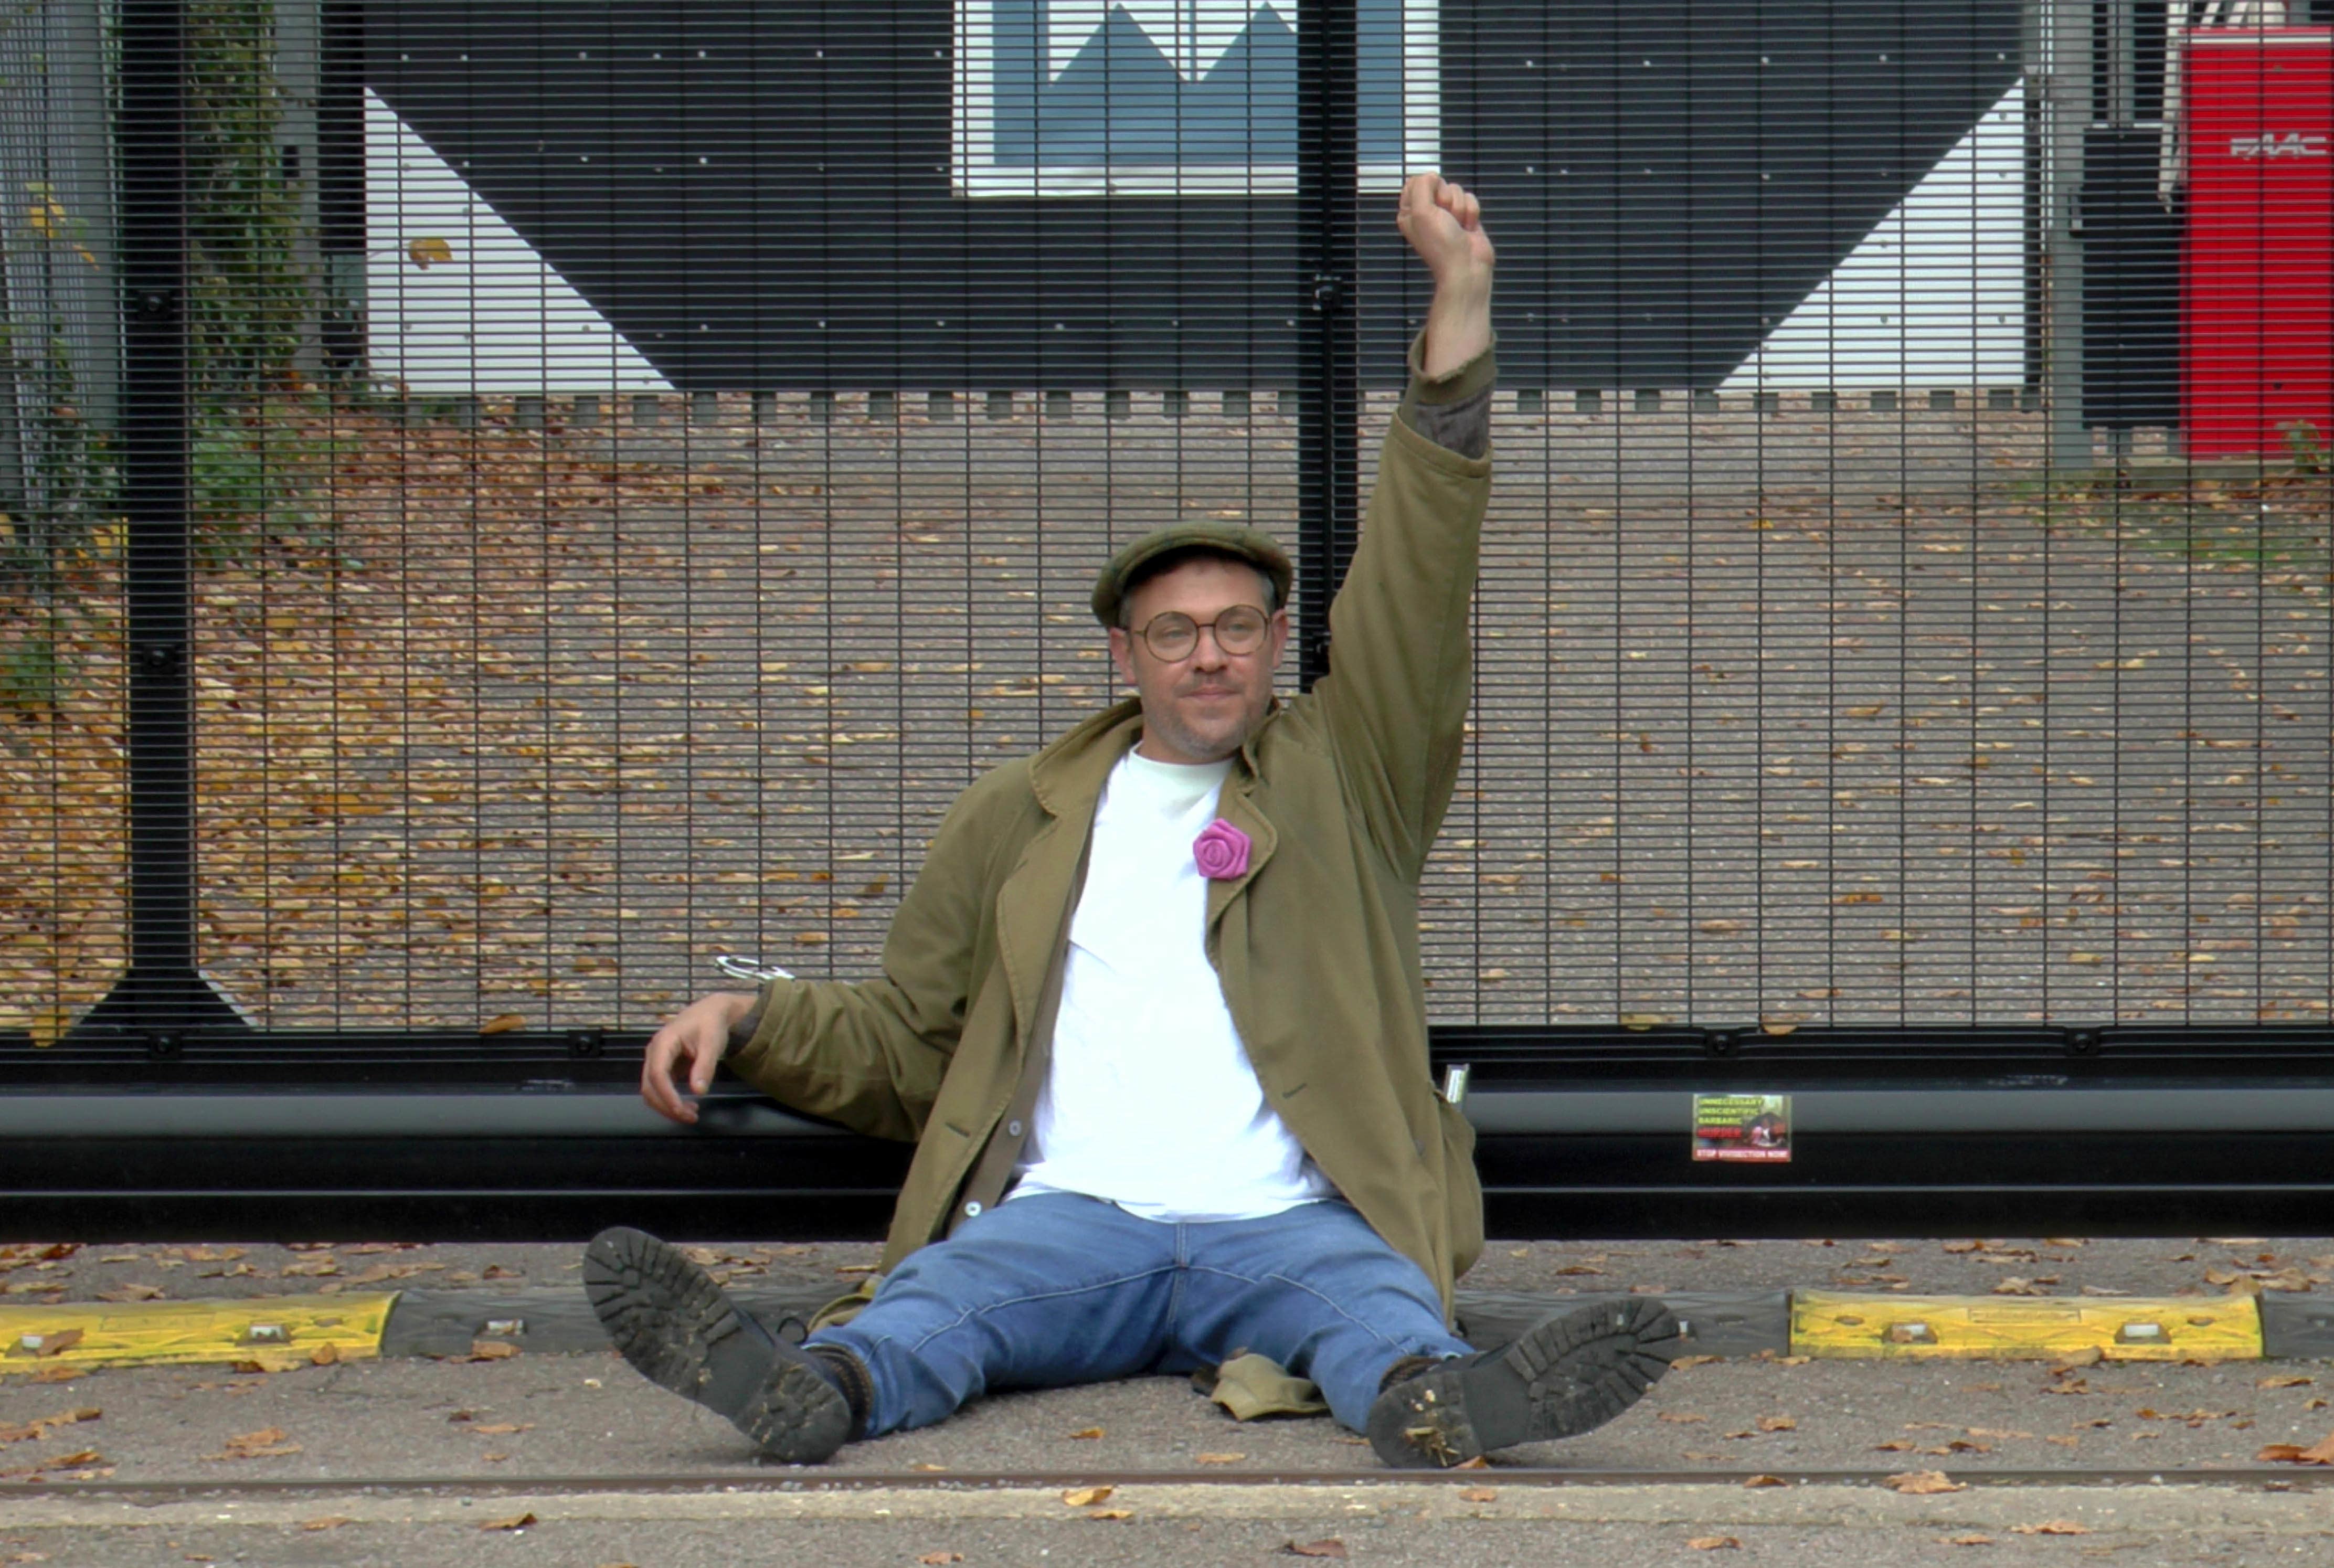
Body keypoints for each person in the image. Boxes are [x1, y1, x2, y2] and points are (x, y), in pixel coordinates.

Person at [586, 173, 1675, 1469]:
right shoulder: (1023, 814)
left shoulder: (1350, 774)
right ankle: (816, 1388)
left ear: (1278, 643)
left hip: (1293, 1224)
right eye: (1174, 633)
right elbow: (916, 1039)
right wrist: (752, 1018)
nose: (1207, 657)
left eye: (1234, 629)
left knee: (1382, 1321)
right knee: (935, 1308)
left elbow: (1421, 577)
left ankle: (1447, 1399)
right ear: (1126, 656)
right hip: (1071, 1224)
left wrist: (1461, 299)